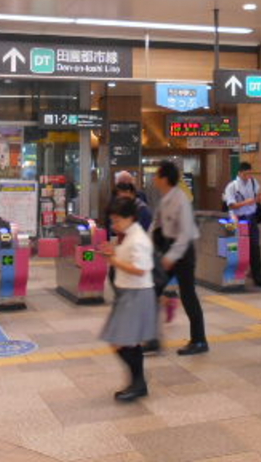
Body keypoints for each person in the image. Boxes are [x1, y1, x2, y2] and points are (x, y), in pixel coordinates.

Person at [99, 198, 156, 402]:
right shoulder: (127, 235)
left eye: (117, 220)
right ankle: (138, 381)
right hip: (127, 293)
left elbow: (141, 269)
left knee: (124, 341)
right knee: (122, 342)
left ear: (130, 217)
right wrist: (112, 252)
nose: (114, 225)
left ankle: (138, 383)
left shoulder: (138, 239)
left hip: (137, 294)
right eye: (112, 221)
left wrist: (112, 260)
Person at [149, 160, 208, 356]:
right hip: (169, 248)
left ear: (165, 178)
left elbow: (186, 233)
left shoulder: (180, 199)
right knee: (153, 290)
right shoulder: (165, 198)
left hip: (183, 251)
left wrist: (172, 256)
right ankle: (152, 338)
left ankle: (199, 340)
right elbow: (155, 226)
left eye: (157, 174)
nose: (154, 178)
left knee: (188, 294)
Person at [223, 162, 261, 287]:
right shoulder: (232, 186)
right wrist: (247, 202)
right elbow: (231, 205)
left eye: (250, 173)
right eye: (246, 173)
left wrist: (258, 199)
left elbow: (258, 195)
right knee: (237, 249)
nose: (248, 176)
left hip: (251, 218)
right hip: (238, 219)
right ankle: (235, 277)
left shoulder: (253, 182)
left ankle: (258, 277)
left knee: (255, 248)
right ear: (240, 173)